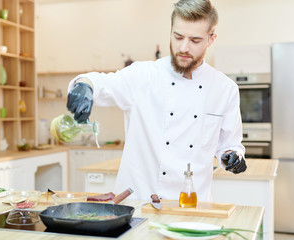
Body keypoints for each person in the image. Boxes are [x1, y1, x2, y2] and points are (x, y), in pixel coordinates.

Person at [66, 0, 247, 201]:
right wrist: (85, 85)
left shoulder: (225, 88)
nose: (184, 48)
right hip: (138, 203)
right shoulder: (143, 75)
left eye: (195, 40)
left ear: (211, 39)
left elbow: (230, 145)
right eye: (178, 37)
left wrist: (233, 157)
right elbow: (102, 82)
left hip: (191, 205)